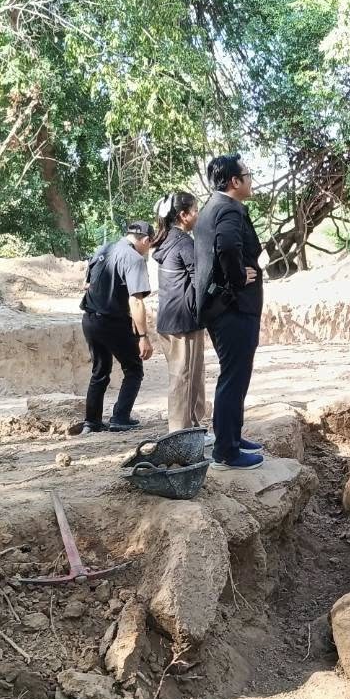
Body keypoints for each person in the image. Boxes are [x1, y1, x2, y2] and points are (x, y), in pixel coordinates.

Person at [194, 155, 266, 471]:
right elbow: (225, 246)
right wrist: (238, 278)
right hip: (233, 308)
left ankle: (232, 438)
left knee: (235, 374)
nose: (251, 179)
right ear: (235, 181)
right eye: (247, 174)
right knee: (234, 376)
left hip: (222, 307)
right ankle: (226, 452)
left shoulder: (212, 206)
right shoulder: (229, 209)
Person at [80, 220, 156, 433]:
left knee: (100, 370)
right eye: (150, 244)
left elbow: (86, 284)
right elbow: (136, 301)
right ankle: (120, 418)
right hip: (112, 321)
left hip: (90, 319)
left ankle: (91, 422)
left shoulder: (103, 249)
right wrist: (143, 336)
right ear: (146, 240)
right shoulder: (134, 258)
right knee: (134, 368)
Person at [152, 190, 210, 442]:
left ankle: (192, 428)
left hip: (171, 320)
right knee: (183, 378)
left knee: (190, 376)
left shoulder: (167, 241)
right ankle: (180, 434)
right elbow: (201, 282)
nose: (198, 215)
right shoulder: (184, 243)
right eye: (195, 211)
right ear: (184, 215)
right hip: (183, 322)